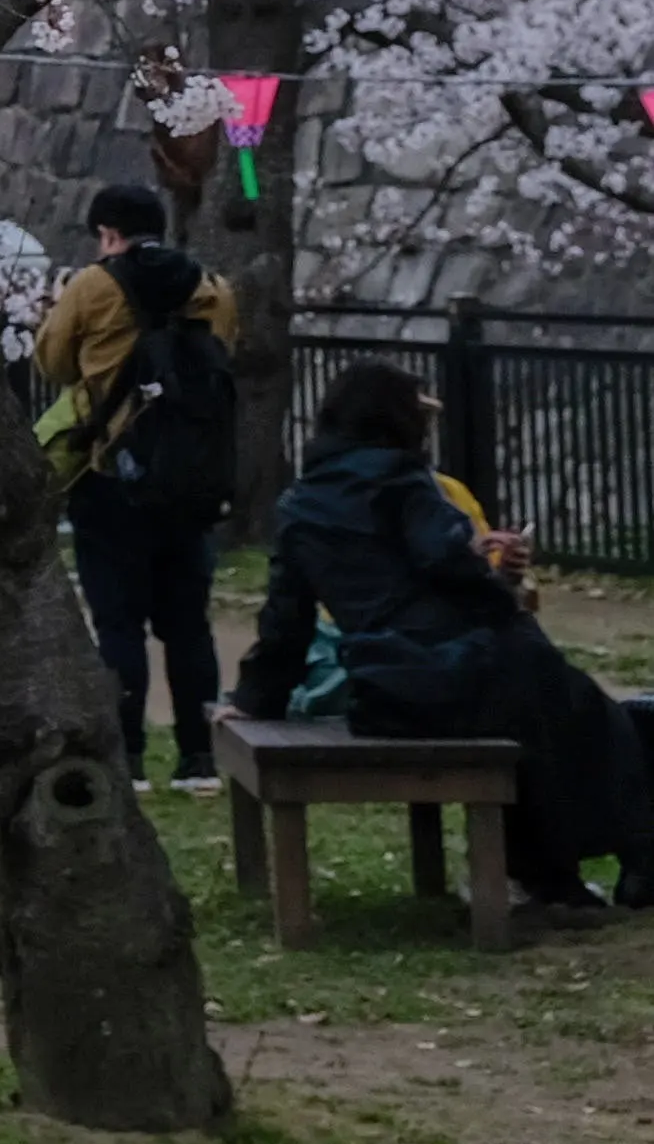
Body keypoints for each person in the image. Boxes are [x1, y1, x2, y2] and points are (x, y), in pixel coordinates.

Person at [241, 361, 651, 915]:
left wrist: (253, 702)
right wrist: (495, 581)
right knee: (597, 720)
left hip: (391, 691)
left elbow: (285, 620)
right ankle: (601, 871)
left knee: (560, 713)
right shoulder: (404, 482)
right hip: (466, 669)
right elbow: (446, 570)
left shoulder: (298, 505)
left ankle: (554, 879)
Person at [32, 180, 241, 788]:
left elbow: (53, 363)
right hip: (191, 481)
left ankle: (127, 757)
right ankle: (198, 759)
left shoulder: (92, 285)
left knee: (119, 624)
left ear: (108, 234)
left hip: (112, 474)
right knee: (188, 624)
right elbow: (222, 354)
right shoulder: (213, 290)